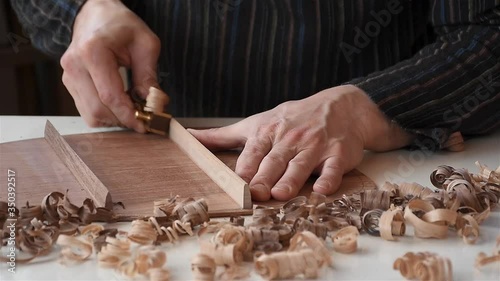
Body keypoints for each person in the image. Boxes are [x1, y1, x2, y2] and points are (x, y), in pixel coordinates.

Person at [11, 0, 500, 202]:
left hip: (375, 143)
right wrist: (82, 8)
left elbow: (487, 32)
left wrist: (363, 107)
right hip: (176, 126)